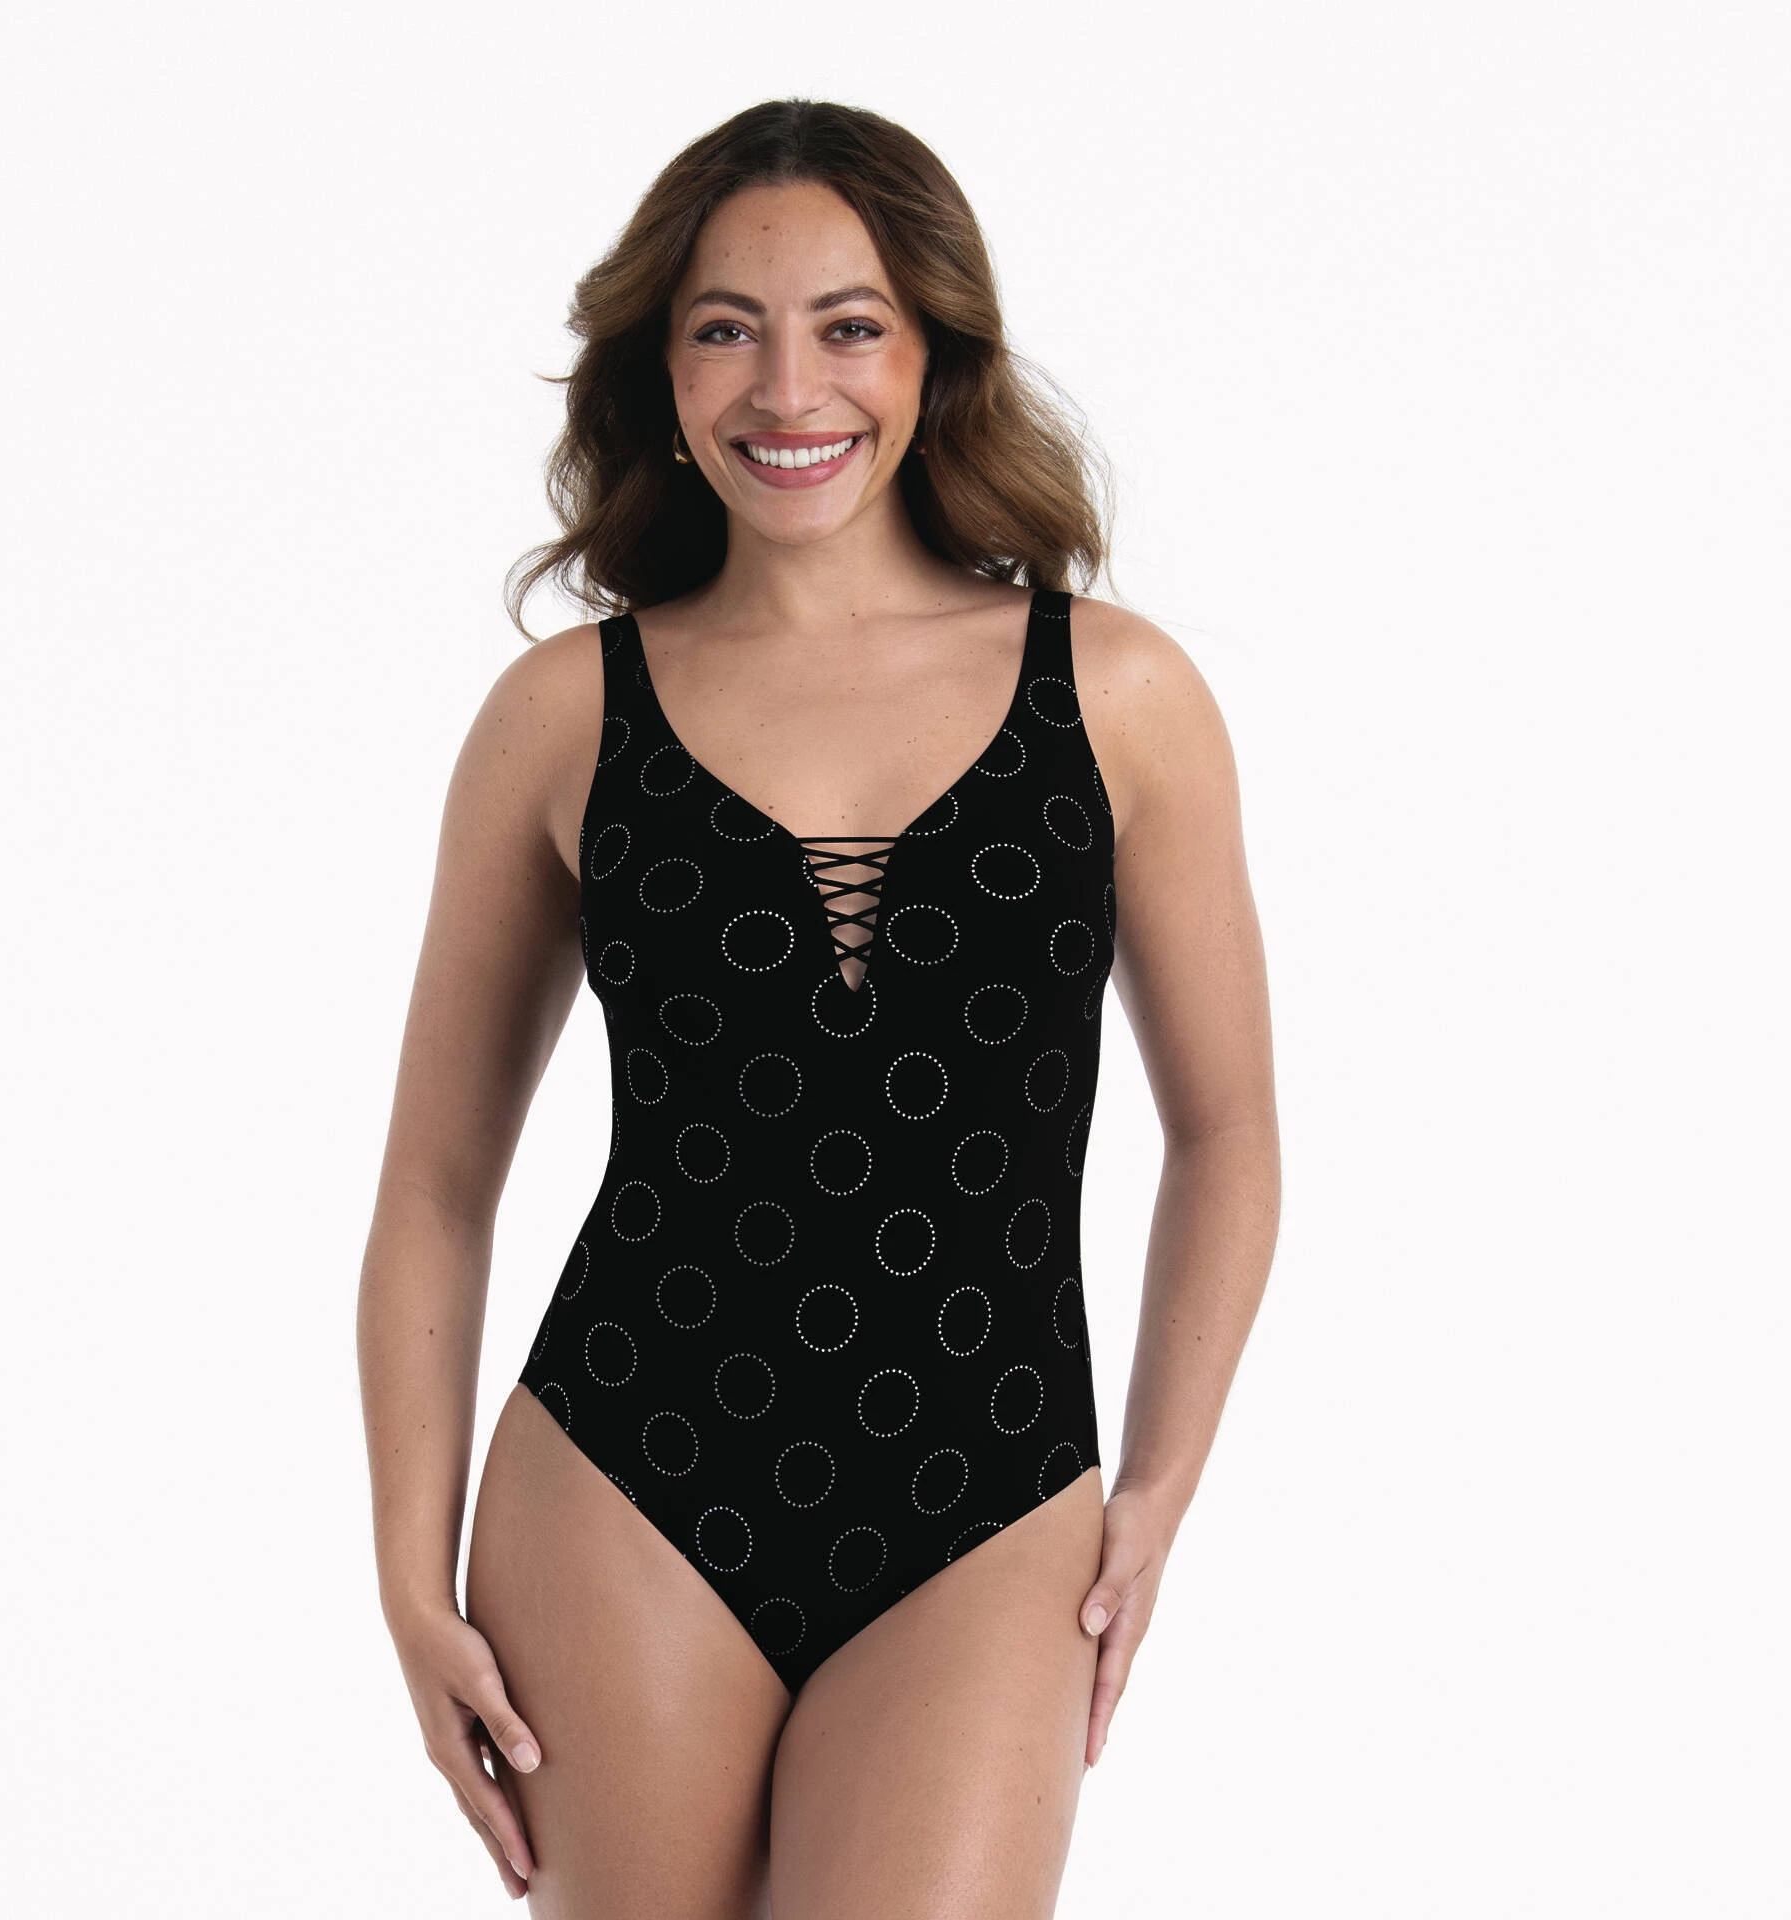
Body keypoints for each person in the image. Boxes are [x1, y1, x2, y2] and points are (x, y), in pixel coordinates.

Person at [357, 97, 1280, 1917]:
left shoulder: (1119, 696)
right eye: (728, 328)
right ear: (663, 368)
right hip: (624, 1474)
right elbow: (435, 1189)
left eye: (849, 325)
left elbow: (1230, 1130)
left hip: (990, 1495)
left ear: (936, 351)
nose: (790, 389)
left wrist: (1161, 1487)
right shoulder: (562, 716)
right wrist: (407, 1569)